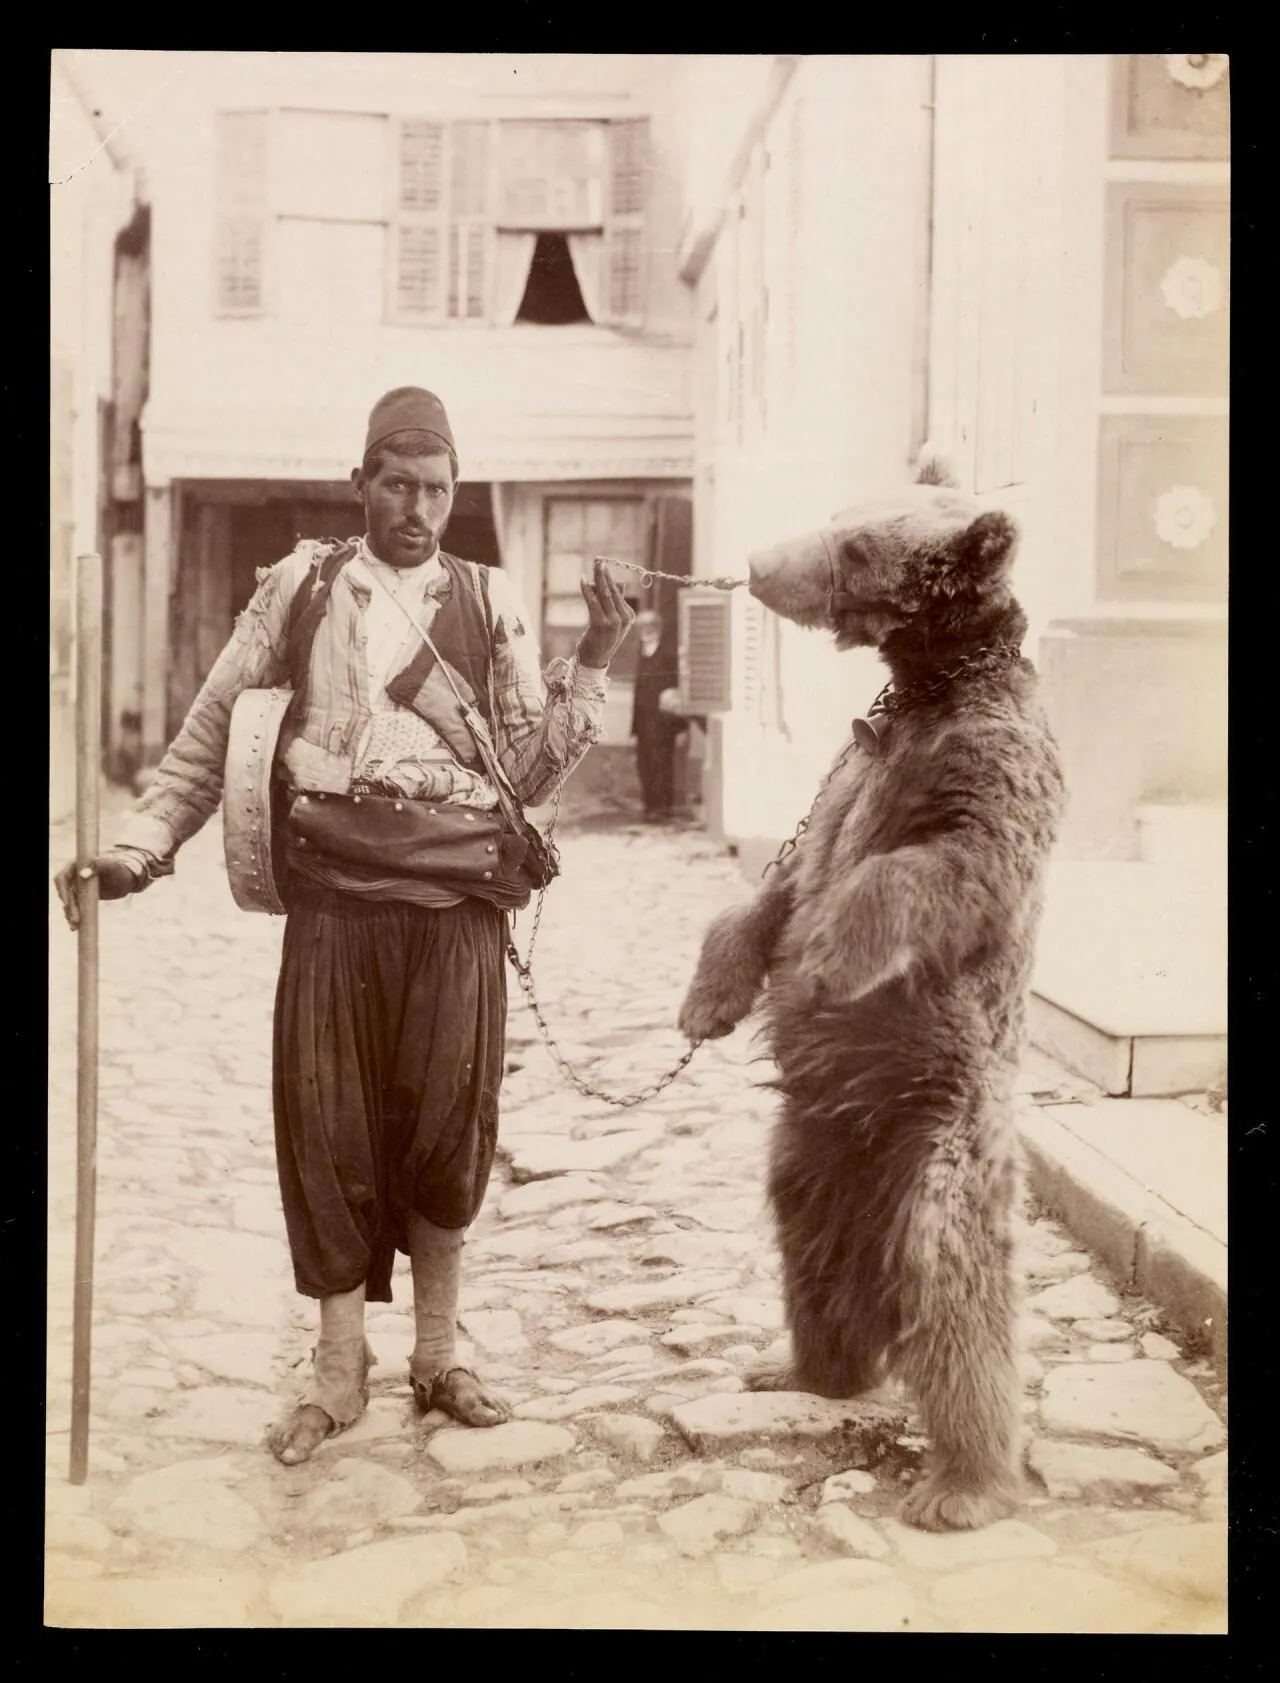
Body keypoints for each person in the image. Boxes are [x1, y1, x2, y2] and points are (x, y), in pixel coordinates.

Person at [55, 387, 634, 1466]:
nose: (417, 508)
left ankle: (436, 1351)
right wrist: (143, 846)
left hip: (453, 912)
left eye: (437, 490)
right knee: (328, 1132)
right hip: (332, 911)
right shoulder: (303, 588)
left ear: (455, 495)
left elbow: (531, 769)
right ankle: (335, 1369)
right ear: (358, 481)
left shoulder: (488, 601)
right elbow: (210, 732)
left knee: (446, 1130)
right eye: (397, 485)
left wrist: (593, 653)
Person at [630, 610, 683, 823]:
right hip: (643, 722)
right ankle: (649, 807)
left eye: (649, 628)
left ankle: (663, 809)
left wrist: (681, 728)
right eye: (642, 629)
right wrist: (634, 727)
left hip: (663, 722)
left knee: (662, 764)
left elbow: (677, 692)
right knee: (645, 764)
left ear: (658, 630)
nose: (645, 632)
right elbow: (639, 692)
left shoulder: (668, 655)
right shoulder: (642, 654)